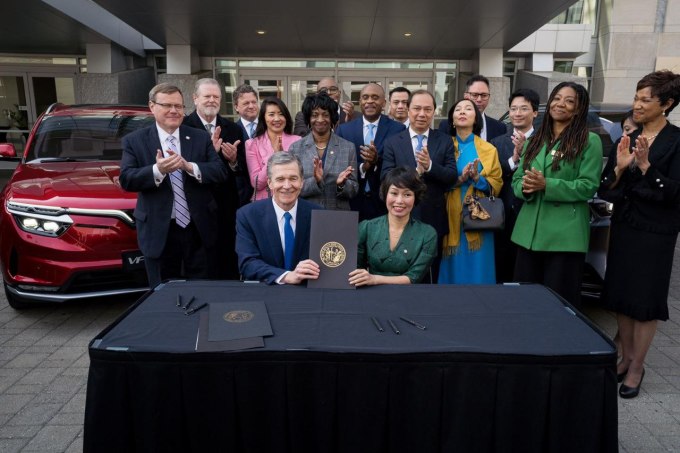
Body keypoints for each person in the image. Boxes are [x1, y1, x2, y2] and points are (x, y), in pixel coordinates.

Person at [599, 70, 680, 398]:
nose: (637, 105)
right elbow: (606, 189)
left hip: (656, 233)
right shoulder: (628, 137)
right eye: (636, 97)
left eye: (646, 100)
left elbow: (674, 193)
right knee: (622, 295)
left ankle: (637, 366)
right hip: (625, 227)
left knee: (645, 301)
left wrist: (646, 167)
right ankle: (626, 356)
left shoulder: (677, 141)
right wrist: (620, 168)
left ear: (667, 104)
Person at [120, 83, 227, 288]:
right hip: (160, 230)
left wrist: (190, 167)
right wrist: (158, 170)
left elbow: (219, 171)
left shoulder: (198, 136)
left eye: (178, 106)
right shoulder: (135, 141)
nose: (174, 111)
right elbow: (127, 179)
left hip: (198, 230)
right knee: (162, 292)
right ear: (152, 106)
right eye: (167, 105)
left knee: (202, 289)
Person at [511, 82, 602, 308]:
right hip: (528, 235)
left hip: (565, 237)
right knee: (524, 301)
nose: (560, 104)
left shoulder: (589, 141)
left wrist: (547, 185)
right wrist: (526, 186)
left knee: (557, 305)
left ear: (579, 109)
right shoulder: (534, 140)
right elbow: (517, 179)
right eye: (557, 98)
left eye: (569, 101)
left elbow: (588, 186)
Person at [381, 89, 457, 280]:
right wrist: (415, 174)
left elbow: (451, 176)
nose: (422, 114)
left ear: (433, 111)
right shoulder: (393, 142)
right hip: (400, 217)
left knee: (431, 272)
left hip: (433, 216)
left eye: (427, 109)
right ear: (408, 110)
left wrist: (430, 166)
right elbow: (386, 176)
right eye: (416, 108)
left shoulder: (445, 140)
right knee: (401, 270)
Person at [182, 78, 247, 279]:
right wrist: (208, 152)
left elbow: (242, 170)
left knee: (226, 264)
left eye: (216, 96)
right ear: (195, 98)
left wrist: (234, 160)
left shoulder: (233, 128)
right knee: (201, 266)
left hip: (225, 208)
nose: (211, 100)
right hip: (196, 209)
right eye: (207, 96)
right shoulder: (184, 127)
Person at [437, 99, 503, 284]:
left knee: (478, 268)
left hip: (478, 216)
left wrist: (476, 178)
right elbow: (435, 181)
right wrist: (459, 180)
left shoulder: (488, 149)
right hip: (449, 213)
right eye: (457, 109)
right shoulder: (443, 145)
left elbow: (496, 184)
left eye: (468, 109)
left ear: (476, 119)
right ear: (451, 119)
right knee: (451, 265)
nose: (462, 112)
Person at [236, 152, 323, 284]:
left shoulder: (319, 215)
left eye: (293, 178)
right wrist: (286, 276)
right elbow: (247, 263)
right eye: (280, 179)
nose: (287, 186)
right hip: (266, 291)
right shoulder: (248, 215)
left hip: (307, 293)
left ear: (302, 182)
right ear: (270, 183)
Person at [348, 167, 437, 286]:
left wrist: (375, 279)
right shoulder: (367, 227)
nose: (399, 201)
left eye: (407, 194)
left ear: (415, 197)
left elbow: (414, 277)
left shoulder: (427, 234)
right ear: (385, 194)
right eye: (394, 193)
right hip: (370, 295)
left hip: (410, 296)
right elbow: (354, 269)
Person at [489, 88, 540, 283]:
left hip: (532, 209)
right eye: (513, 108)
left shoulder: (544, 141)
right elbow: (494, 174)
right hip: (503, 211)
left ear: (534, 112)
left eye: (524, 108)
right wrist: (514, 159)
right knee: (503, 264)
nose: (517, 113)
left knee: (528, 267)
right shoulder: (497, 142)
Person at [336, 83, 405, 220]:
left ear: (384, 103)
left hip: (384, 202)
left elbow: (399, 166)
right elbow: (340, 165)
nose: (369, 101)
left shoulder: (398, 130)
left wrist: (376, 161)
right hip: (353, 202)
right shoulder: (345, 130)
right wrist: (363, 167)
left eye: (375, 97)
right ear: (360, 102)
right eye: (365, 97)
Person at [289, 92, 358, 209]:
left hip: (337, 215)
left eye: (325, 115)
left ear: (332, 117)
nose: (320, 120)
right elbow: (292, 186)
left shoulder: (348, 147)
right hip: (306, 213)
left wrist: (341, 185)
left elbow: (354, 189)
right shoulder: (296, 148)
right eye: (315, 115)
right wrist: (315, 181)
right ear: (308, 118)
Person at [245, 97, 301, 201]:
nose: (277, 119)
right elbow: (256, 183)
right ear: (263, 118)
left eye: (281, 114)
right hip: (264, 204)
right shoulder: (252, 144)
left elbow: (301, 177)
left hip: (292, 201)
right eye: (271, 114)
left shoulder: (298, 141)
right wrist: (275, 155)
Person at [439, 75, 506, 141]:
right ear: (466, 96)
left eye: (484, 95)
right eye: (475, 95)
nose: (479, 99)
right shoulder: (446, 126)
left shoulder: (500, 128)